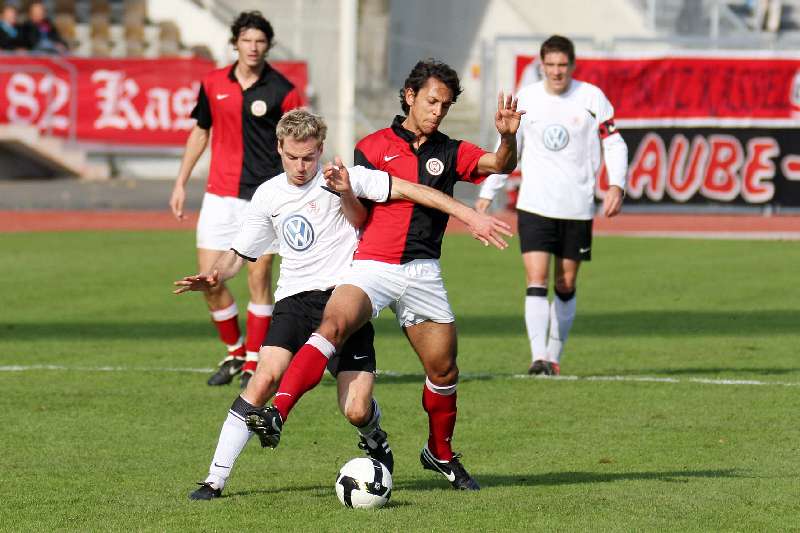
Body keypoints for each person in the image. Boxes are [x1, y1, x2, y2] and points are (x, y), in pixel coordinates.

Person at [174, 109, 512, 500]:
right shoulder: (267, 195)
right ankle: (214, 480)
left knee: (355, 408)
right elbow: (238, 254)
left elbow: (400, 196)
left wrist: (349, 191)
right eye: (293, 157)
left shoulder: (344, 176)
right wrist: (215, 274)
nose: (301, 166)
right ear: (279, 148)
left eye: (309, 157)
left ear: (320, 150)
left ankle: (374, 438)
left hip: (344, 298)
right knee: (263, 377)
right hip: (294, 301)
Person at [243, 59, 523, 491]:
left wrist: (507, 137)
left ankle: (440, 452)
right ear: (410, 96)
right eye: (432, 101)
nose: (438, 111)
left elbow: (500, 165)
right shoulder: (372, 146)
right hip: (372, 264)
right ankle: (278, 411)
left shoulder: (451, 151)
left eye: (445, 105)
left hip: (423, 271)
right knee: (332, 324)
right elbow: (354, 208)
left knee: (444, 370)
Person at [475, 35, 628, 376]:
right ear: (541, 65)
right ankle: (538, 358)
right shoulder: (527, 99)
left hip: (576, 207)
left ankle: (554, 357)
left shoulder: (592, 98)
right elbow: (508, 149)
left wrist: (616, 183)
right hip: (534, 205)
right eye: (551, 65)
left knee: (566, 284)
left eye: (563, 65)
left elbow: (614, 143)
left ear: (572, 66)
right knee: (536, 279)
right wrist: (487, 194)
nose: (557, 72)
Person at [169, 11, 304, 388]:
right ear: (235, 44)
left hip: (264, 198)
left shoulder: (283, 89)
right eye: (247, 40)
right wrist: (181, 182)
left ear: (268, 46)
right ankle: (234, 351)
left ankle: (253, 362)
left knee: (259, 279)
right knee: (208, 280)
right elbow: (200, 132)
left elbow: (299, 142)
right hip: (218, 196)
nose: (253, 47)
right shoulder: (213, 83)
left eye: (260, 41)